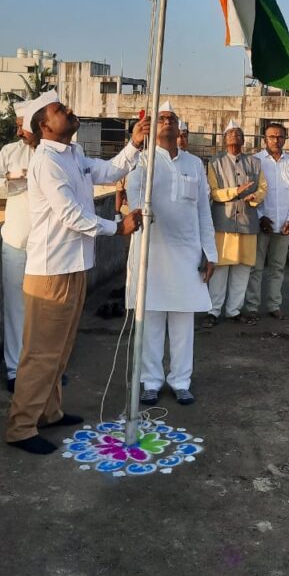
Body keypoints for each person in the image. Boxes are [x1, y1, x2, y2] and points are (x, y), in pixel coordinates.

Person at [5, 91, 145, 455]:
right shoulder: (46, 162)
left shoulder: (74, 153)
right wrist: (117, 227)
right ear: (44, 125)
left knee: (61, 348)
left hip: (75, 265)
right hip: (52, 271)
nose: (68, 110)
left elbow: (109, 171)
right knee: (40, 353)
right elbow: (70, 215)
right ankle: (21, 426)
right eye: (59, 110)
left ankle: (48, 412)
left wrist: (133, 144)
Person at [125, 102, 217, 405]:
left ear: (179, 128)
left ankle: (180, 381)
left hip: (187, 253)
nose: (166, 122)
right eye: (161, 118)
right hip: (152, 253)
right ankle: (150, 381)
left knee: (182, 323)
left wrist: (210, 252)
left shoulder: (195, 164)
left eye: (171, 119)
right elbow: (133, 200)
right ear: (153, 126)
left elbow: (203, 211)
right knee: (150, 319)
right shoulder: (142, 161)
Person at [0, 101, 37, 390]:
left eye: (21, 126)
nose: (18, 132)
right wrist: (10, 179)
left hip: (49, 247)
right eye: (17, 126)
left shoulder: (61, 153)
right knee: (16, 309)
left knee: (45, 311)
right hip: (16, 243)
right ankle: (16, 371)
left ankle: (43, 368)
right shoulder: (10, 152)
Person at [206, 120, 267, 326]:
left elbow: (263, 187)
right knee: (220, 268)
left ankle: (234, 310)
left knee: (242, 268)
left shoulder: (255, 163)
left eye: (238, 133)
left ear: (244, 139)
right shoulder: (215, 162)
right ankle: (214, 311)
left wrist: (255, 196)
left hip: (247, 222)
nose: (235, 136)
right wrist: (235, 191)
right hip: (223, 222)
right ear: (224, 139)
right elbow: (213, 192)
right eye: (231, 133)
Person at [243, 123, 289, 321]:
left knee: (277, 268)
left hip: (283, 224)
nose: (276, 140)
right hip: (261, 224)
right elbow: (251, 192)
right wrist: (260, 216)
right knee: (256, 267)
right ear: (264, 139)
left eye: (280, 136)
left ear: (285, 139)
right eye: (272, 137)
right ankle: (252, 306)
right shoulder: (256, 161)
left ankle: (274, 305)